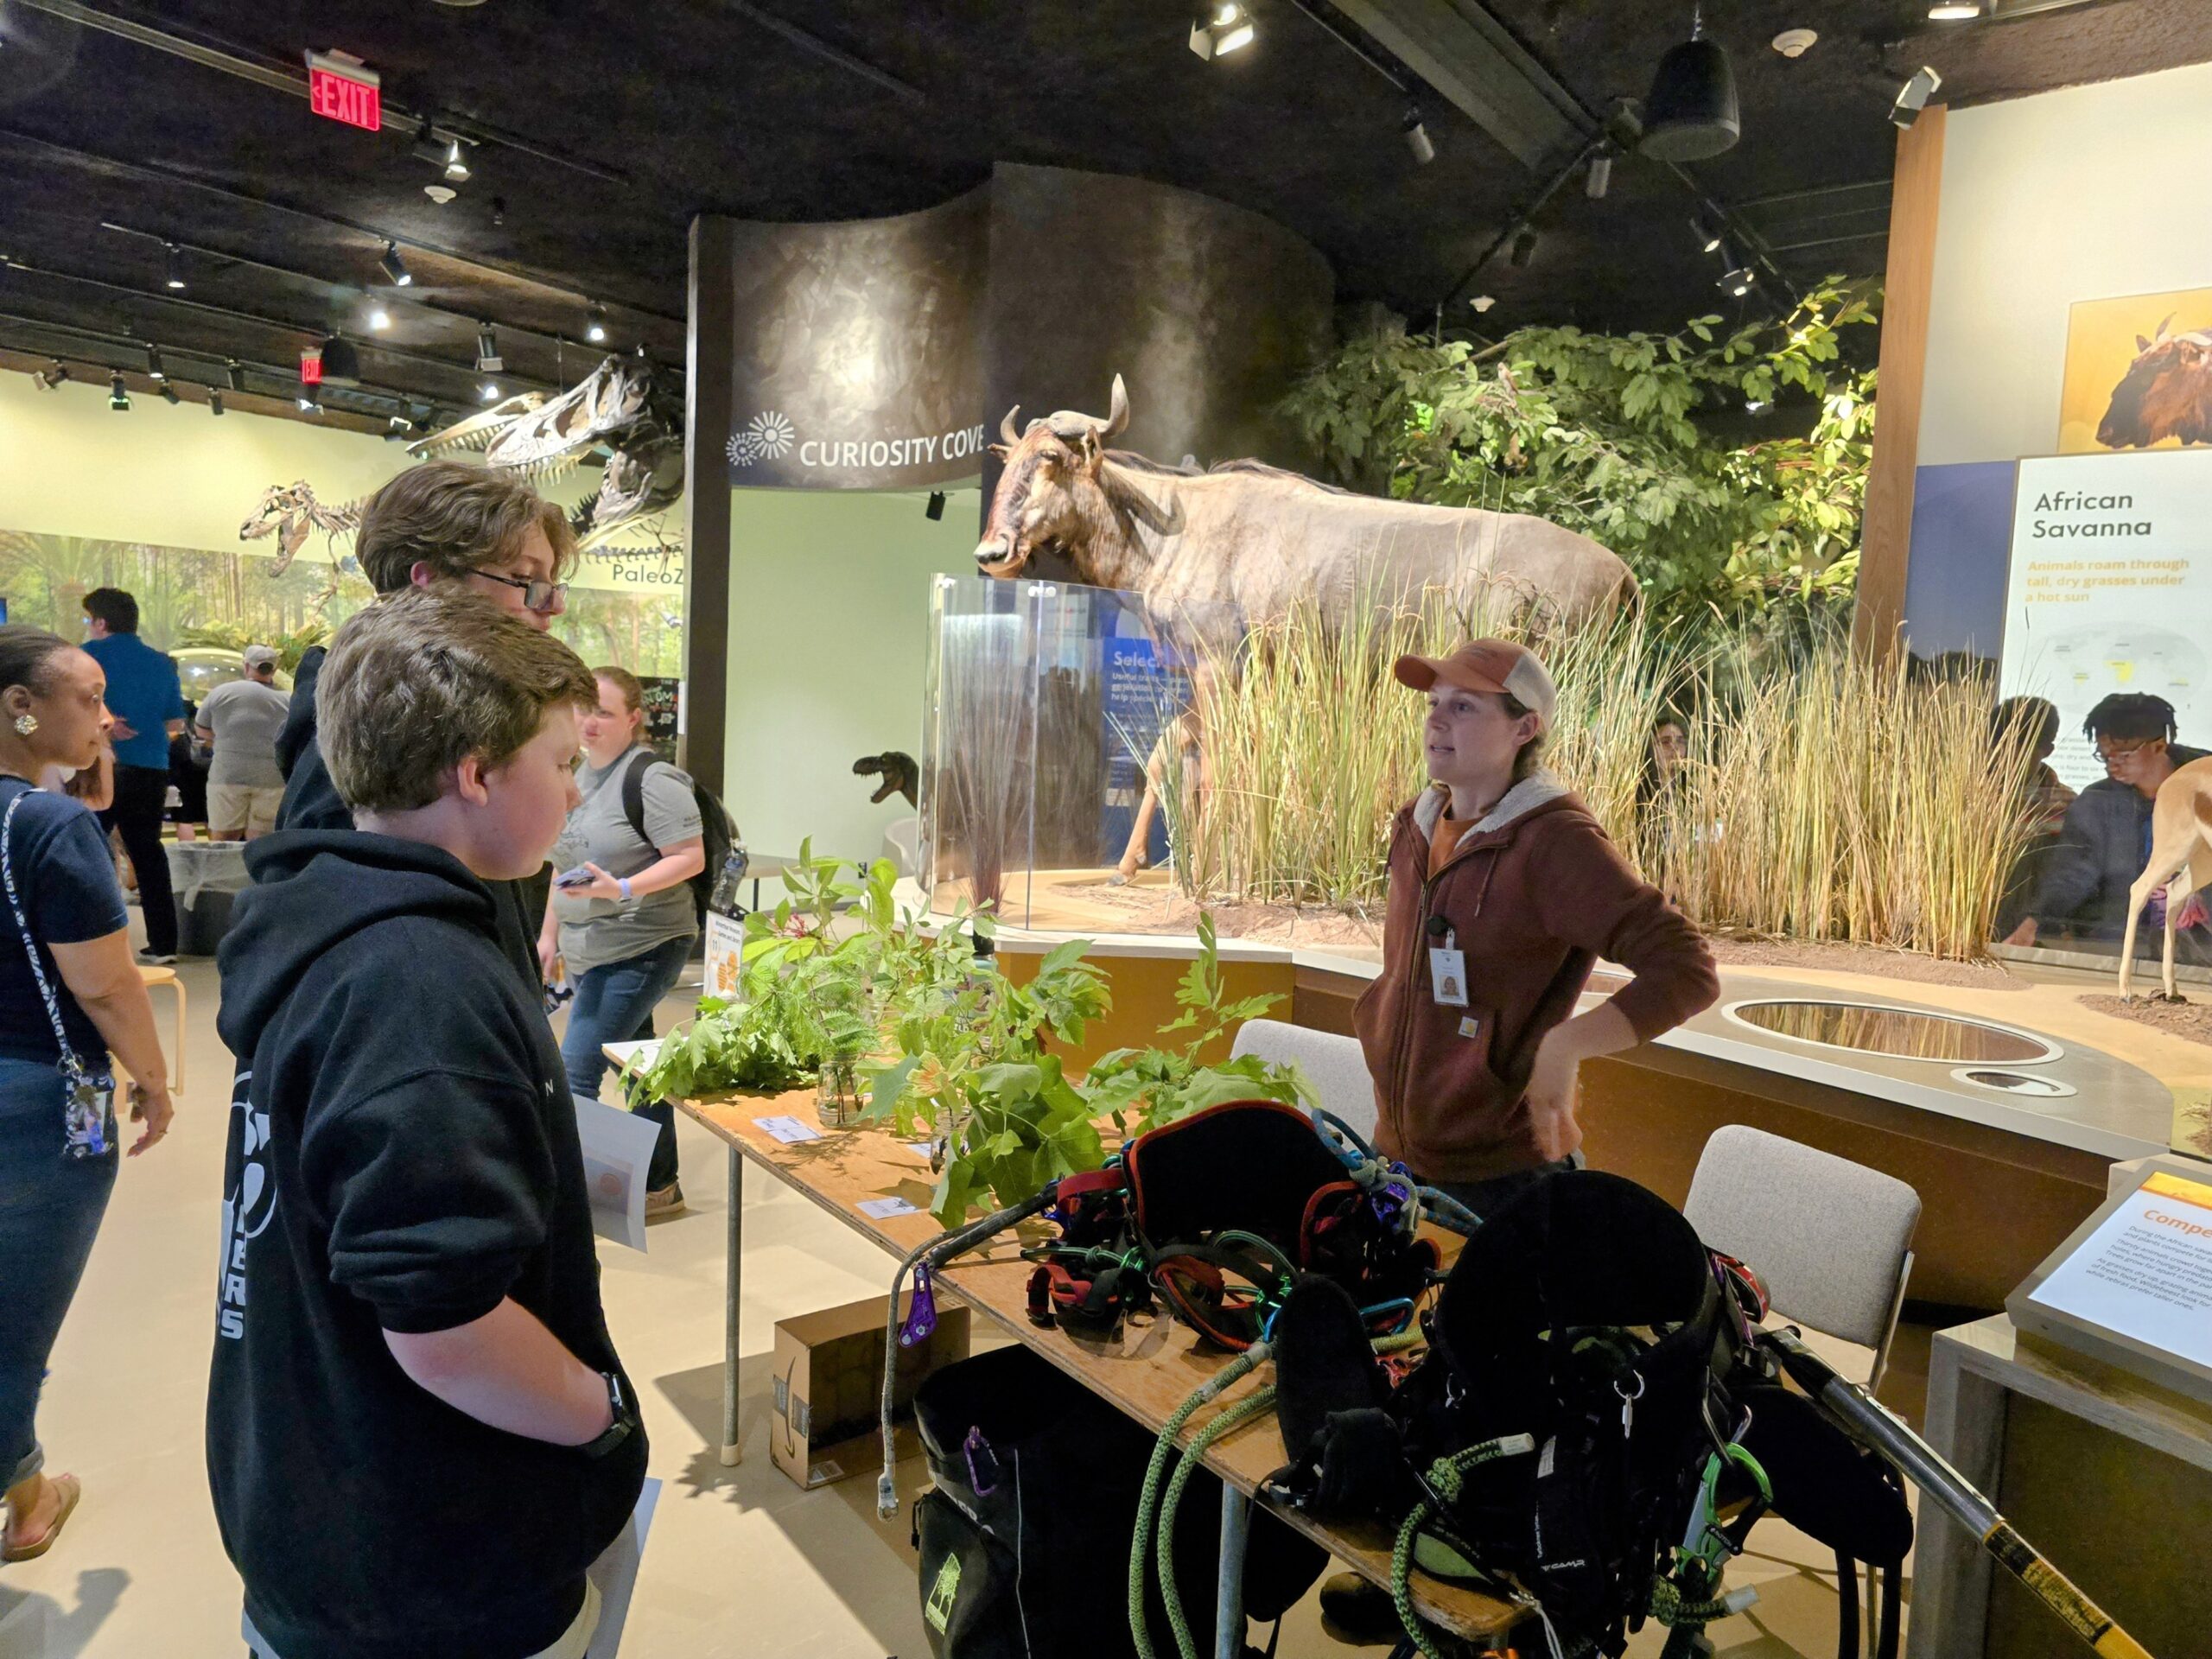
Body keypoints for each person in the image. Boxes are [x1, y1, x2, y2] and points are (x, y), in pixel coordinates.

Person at [208, 590, 645, 1659]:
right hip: (424, 1562)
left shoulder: (325, 917)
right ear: (475, 773)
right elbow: (444, 1326)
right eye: (558, 761)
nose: (574, 787)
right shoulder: (417, 982)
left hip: (323, 1497)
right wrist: (603, 1416)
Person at [1354, 639, 1719, 1217]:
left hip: (1502, 1181)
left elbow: (1687, 968)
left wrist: (1565, 1046)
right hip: (1396, 1157)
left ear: (1524, 729)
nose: (1438, 719)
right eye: (1434, 703)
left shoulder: (1554, 842)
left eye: (1466, 706)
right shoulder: (1414, 824)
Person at [0, 624, 174, 1565]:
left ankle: (27, 1495)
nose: (107, 716)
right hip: (35, 1099)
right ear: (19, 707)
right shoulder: (42, 826)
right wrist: (153, 1078)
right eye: (87, 696)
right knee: (14, 1317)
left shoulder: (49, 811)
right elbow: (105, 984)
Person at [276, 460, 575, 993]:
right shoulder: (370, 732)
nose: (549, 607)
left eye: (551, 585)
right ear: (428, 582)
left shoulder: (464, 715)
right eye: (525, 582)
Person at [539, 667, 704, 1217]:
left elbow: (690, 857)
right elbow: (562, 869)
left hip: (644, 943)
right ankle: (661, 1186)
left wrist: (624, 887)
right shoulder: (576, 775)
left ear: (634, 718)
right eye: (584, 709)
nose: (589, 722)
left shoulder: (653, 780)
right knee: (636, 1067)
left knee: (573, 1073)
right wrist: (549, 934)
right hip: (590, 946)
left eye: (604, 712)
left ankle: (558, 1212)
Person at [2005, 693, 2209, 955]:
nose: (2112, 765)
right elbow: (2072, 873)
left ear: (2159, 746)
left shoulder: (2205, 786)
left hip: (2203, 950)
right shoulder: (2097, 803)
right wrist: (2033, 922)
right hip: (2119, 945)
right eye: (2105, 756)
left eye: (2123, 754)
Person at [79, 588, 186, 964]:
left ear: (101, 622)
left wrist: (106, 724)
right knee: (148, 852)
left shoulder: (85, 658)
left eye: (89, 619)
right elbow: (175, 721)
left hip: (98, 765)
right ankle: (163, 945)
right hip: (150, 765)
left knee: (88, 849)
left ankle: (92, 940)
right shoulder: (160, 662)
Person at [1989, 696, 2075, 940]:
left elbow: (2066, 879)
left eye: (2018, 746)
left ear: (2047, 750)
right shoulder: (1961, 800)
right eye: (1998, 743)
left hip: (2030, 937)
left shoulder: (2066, 806)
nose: (2003, 756)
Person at [195, 645, 291, 841]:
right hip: (271, 780)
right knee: (262, 841)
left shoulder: (221, 692)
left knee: (224, 841)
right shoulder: (287, 699)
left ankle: (225, 872)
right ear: (274, 669)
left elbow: (201, 730)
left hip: (227, 777)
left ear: (246, 665)